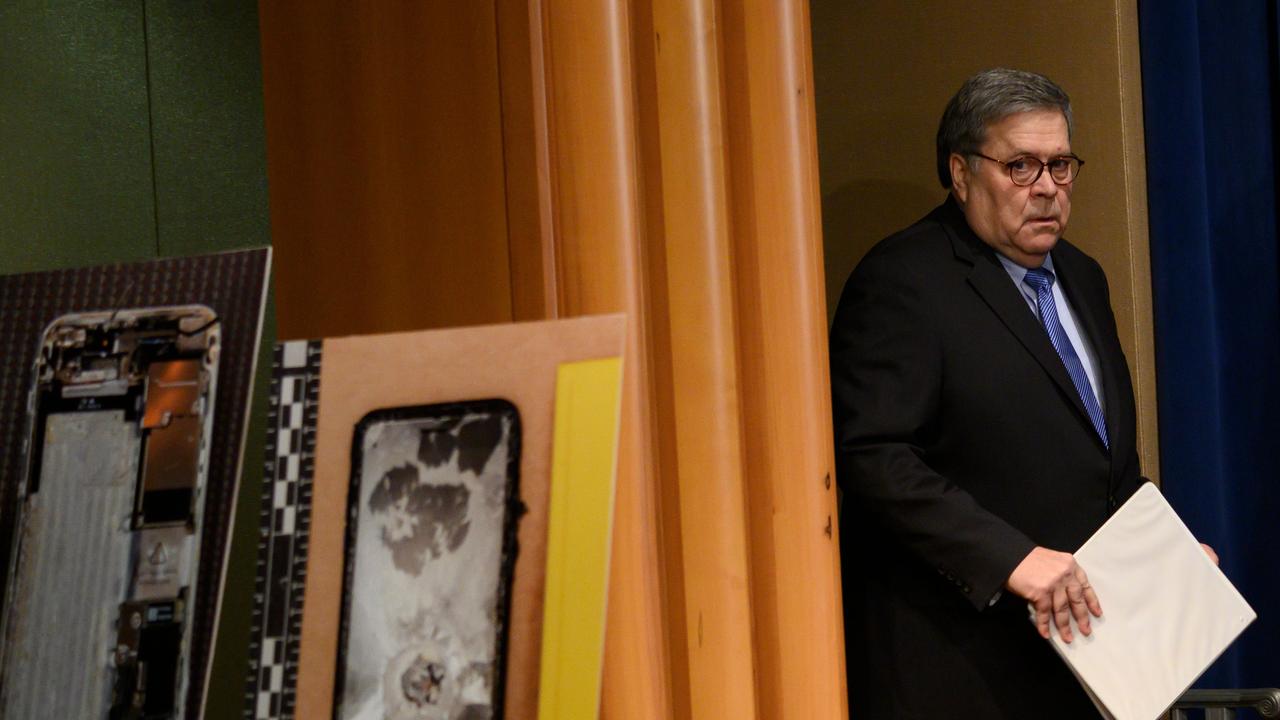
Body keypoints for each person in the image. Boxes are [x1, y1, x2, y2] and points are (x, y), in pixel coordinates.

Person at [830, 68, 1205, 718]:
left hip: (1091, 665)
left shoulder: (1082, 277)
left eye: (1060, 166)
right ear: (960, 172)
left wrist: (1163, 556)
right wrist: (1014, 560)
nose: (1047, 191)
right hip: (966, 666)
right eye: (1021, 167)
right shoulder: (904, 282)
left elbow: (1103, 466)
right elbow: (871, 456)